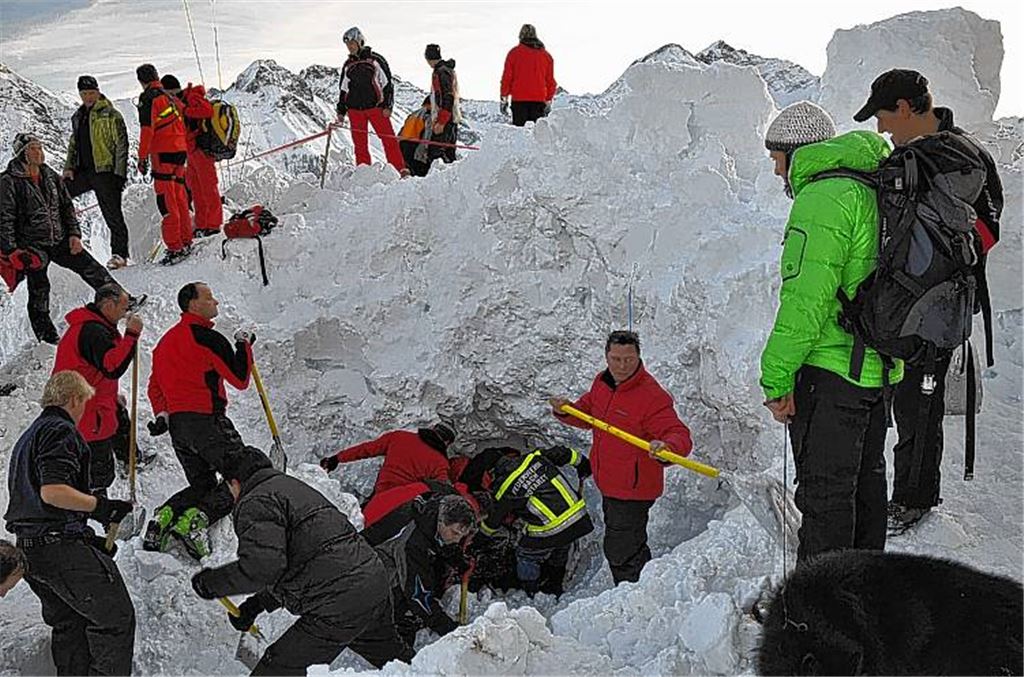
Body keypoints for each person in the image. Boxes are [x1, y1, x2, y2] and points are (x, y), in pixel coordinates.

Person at [853, 69, 1004, 533]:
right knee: (917, 404)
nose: (880, 128)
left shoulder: (934, 161)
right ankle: (904, 496)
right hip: (935, 304)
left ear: (904, 108)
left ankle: (910, 500)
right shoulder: (971, 155)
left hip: (914, 304)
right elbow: (990, 230)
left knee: (909, 406)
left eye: (882, 116)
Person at [759, 101, 897, 562]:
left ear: (796, 151)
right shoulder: (871, 185)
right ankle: (867, 601)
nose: (777, 170)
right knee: (865, 488)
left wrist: (776, 380)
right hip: (877, 370)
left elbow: (806, 301)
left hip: (832, 373)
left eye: (776, 157)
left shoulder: (822, 198)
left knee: (825, 500)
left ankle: (816, 619)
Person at [190, 447, 413, 675]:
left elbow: (263, 567)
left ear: (235, 483)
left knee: (278, 669)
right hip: (373, 582)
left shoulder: (254, 502)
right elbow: (307, 559)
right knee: (397, 659)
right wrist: (257, 605)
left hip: (339, 601)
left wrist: (211, 584)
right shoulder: (291, 489)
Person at [3, 371, 135, 675]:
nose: (83, 412)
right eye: (84, 404)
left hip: (34, 552)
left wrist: (85, 538)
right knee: (115, 619)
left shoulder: (30, 435)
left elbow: (36, 504)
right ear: (74, 399)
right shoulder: (59, 430)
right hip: (58, 548)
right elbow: (52, 492)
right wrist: (101, 507)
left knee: (71, 624)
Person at [550, 330, 692, 584]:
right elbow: (586, 413)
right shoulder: (602, 383)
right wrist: (565, 410)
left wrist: (667, 447)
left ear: (639, 357)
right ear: (607, 357)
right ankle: (642, 584)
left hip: (633, 489)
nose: (622, 366)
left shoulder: (651, 396)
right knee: (628, 541)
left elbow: (678, 433)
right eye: (616, 359)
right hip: (610, 482)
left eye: (629, 359)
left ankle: (632, 590)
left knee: (621, 550)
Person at [144, 282, 253, 559]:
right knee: (241, 475)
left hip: (179, 429)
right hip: (208, 423)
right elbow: (239, 379)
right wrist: (243, 346)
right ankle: (197, 520)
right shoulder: (207, 338)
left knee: (202, 485)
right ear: (193, 304)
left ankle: (164, 516)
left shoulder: (165, 343)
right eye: (209, 297)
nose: (215, 302)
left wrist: (162, 414)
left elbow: (154, 386)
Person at [0, 133, 132, 344]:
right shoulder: (8, 182)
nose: (38, 152)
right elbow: (4, 219)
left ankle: (123, 301)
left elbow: (66, 207)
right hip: (31, 246)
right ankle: (46, 336)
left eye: (39, 147)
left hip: (59, 238)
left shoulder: (49, 175)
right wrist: (12, 251)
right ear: (22, 154)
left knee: (91, 268)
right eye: (33, 148)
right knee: (39, 290)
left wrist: (74, 234)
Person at [52, 284, 152, 496]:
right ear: (108, 305)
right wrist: (132, 334)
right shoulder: (92, 331)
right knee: (98, 467)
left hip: (88, 397)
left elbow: (90, 368)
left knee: (119, 416)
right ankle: (100, 512)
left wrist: (108, 393)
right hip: (84, 411)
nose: (126, 313)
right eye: (123, 307)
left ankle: (131, 459)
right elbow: (112, 366)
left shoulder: (92, 326)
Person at [471, 445, 592, 596]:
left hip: (552, 529)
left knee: (525, 555)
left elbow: (493, 522)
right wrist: (583, 464)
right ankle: (555, 583)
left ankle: (531, 592)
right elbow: (564, 453)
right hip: (578, 517)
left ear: (491, 472)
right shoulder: (535, 457)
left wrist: (479, 539)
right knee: (561, 545)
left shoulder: (503, 488)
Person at [363, 493, 477, 649]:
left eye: (462, 535)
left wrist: (458, 560)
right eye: (455, 533)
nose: (457, 540)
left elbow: (439, 542)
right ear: (442, 521)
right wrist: (450, 629)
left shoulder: (434, 511)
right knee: (409, 599)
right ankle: (396, 630)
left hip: (393, 557)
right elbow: (417, 595)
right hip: (369, 571)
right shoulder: (413, 542)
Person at [63, 75, 131, 269]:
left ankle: (119, 255)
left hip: (105, 171)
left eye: (92, 92)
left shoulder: (111, 114)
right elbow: (73, 144)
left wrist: (119, 174)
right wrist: (69, 167)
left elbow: (121, 145)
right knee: (59, 194)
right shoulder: (78, 116)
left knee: (113, 215)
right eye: (84, 94)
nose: (89, 97)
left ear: (98, 91)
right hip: (83, 171)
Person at [135, 64, 191, 266]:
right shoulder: (170, 97)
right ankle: (186, 240)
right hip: (180, 152)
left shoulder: (148, 98)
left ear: (141, 81)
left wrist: (142, 158)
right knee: (180, 197)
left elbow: (147, 131)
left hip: (163, 153)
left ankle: (175, 247)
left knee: (166, 202)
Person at [319, 421, 458, 499]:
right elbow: (442, 489)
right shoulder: (441, 463)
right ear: (447, 443)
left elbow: (367, 449)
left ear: (433, 429)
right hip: (402, 503)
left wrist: (337, 458)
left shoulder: (399, 437)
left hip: (381, 491)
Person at [336, 27, 407, 176]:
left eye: (352, 43)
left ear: (360, 42)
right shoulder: (348, 65)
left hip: (376, 108)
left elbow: (387, 84)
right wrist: (341, 112)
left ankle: (399, 170)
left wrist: (388, 105)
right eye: (348, 45)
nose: (350, 47)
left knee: (389, 140)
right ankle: (364, 175)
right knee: (360, 145)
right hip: (355, 111)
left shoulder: (375, 60)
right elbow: (343, 90)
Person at [161, 75, 223, 238]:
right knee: (196, 190)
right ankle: (202, 224)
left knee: (208, 188)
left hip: (201, 150)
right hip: (190, 151)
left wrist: (184, 109)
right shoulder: (177, 102)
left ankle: (214, 224)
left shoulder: (191, 97)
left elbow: (206, 111)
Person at [500, 24, 557, 127]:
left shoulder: (513, 53)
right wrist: (548, 101)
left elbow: (507, 78)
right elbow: (550, 82)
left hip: (519, 100)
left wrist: (504, 98)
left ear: (520, 36)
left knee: (520, 134)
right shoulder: (546, 56)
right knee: (537, 136)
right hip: (539, 100)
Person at [424, 44, 460, 166]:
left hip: (445, 119)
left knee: (436, 154)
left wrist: (441, 122)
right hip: (452, 118)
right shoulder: (447, 70)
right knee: (449, 154)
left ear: (428, 58)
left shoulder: (441, 72)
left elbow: (447, 96)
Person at [398, 96, 433, 177]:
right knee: (416, 170)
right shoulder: (428, 115)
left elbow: (402, 129)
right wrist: (426, 149)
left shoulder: (413, 114)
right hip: (414, 144)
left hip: (403, 143)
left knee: (406, 165)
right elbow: (427, 133)